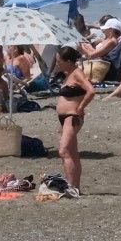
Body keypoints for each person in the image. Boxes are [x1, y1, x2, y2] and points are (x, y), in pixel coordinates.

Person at [50, 45, 95, 194]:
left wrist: (81, 107)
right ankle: (76, 187)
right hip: (64, 118)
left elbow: (91, 91)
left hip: (72, 117)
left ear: (69, 61)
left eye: (59, 61)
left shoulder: (77, 74)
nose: (57, 64)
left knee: (63, 151)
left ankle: (70, 186)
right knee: (72, 153)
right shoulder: (68, 74)